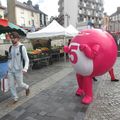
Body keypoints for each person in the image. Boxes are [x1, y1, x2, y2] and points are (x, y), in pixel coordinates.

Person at [8, 32, 30, 103]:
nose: (12, 39)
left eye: (13, 38)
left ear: (17, 38)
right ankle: (15, 97)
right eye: (11, 38)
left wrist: (25, 68)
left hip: (18, 70)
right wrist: (8, 68)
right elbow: (9, 58)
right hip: (10, 70)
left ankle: (26, 87)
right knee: (11, 85)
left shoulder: (21, 47)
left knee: (20, 84)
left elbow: (26, 59)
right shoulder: (11, 47)